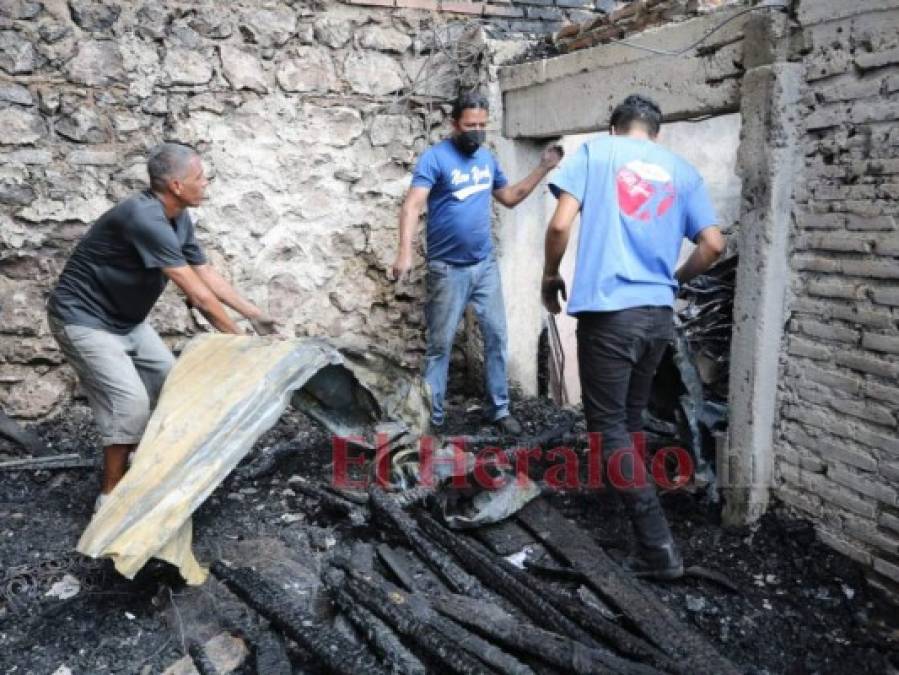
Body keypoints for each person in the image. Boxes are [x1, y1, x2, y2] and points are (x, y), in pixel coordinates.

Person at [541, 94, 726, 580]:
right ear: (656, 132)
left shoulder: (594, 154)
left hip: (610, 315)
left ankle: (656, 548)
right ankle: (619, 498)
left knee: (608, 428)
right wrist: (676, 280)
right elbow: (713, 244)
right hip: (657, 316)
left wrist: (549, 274)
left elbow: (560, 223)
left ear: (614, 126)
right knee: (629, 420)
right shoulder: (682, 171)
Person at [47, 142, 277, 507]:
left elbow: (205, 275)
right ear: (176, 186)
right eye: (200, 177)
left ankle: (146, 467)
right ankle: (110, 496)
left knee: (173, 387)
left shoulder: (178, 217)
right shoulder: (144, 218)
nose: (207, 183)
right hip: (84, 319)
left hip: (127, 321)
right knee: (131, 402)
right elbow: (198, 296)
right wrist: (242, 342)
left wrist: (254, 314)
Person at [392, 91, 563, 434]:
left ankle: (499, 410)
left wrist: (543, 167)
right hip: (447, 268)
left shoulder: (486, 159)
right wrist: (405, 252)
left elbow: (510, 198)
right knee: (439, 347)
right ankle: (434, 418)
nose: (477, 131)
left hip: (485, 266)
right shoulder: (435, 159)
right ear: (455, 123)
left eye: (483, 125)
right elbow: (412, 205)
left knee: (497, 336)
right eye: (470, 125)